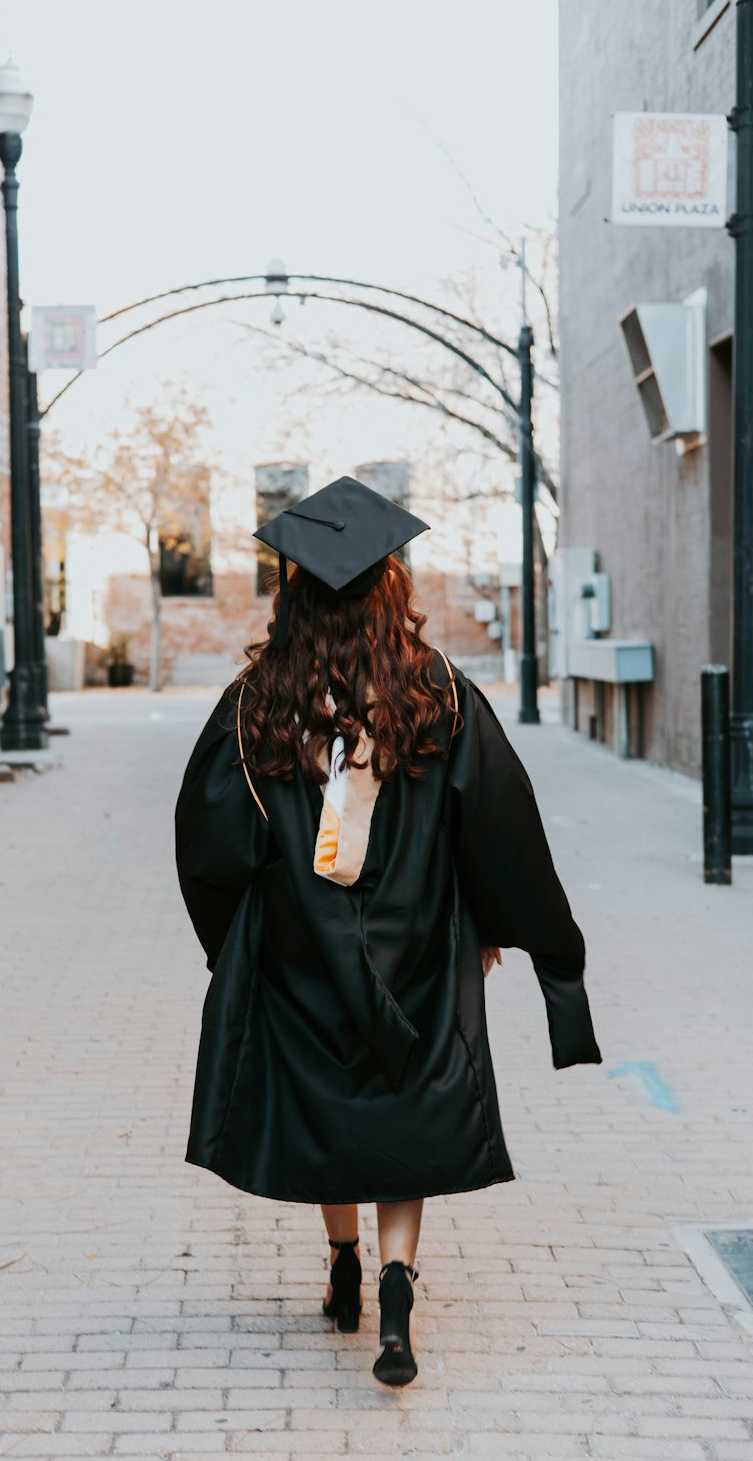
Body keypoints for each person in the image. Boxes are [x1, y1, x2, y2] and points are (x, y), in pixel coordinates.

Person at [175, 475, 601, 1386]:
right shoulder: (438, 691)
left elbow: (207, 840)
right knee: (403, 1105)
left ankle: (342, 1267)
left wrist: (238, 941)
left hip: (299, 950)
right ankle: (400, 1283)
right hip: (422, 946)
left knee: (332, 1109)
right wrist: (522, 937)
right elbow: (500, 827)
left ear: (293, 595)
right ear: (392, 591)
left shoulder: (258, 704)